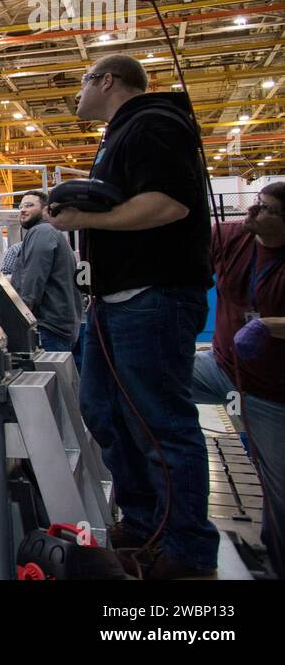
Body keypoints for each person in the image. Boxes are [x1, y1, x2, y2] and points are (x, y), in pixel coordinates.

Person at [47, 54, 218, 579]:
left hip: (153, 297)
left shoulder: (153, 124)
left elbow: (168, 205)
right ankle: (144, 522)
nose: (76, 95)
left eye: (81, 83)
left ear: (106, 80)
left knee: (161, 423)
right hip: (117, 300)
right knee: (105, 412)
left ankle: (188, 550)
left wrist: (83, 218)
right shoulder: (121, 134)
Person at [203, 184, 285, 576]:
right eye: (255, 204)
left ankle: (276, 563)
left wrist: (268, 326)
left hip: (270, 391)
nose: (252, 212)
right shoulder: (235, 237)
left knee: (279, 490)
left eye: (265, 209)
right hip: (219, 365)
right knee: (144, 385)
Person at [13, 190, 82, 355]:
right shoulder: (50, 233)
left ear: (45, 210)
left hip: (48, 328)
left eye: (29, 205)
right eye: (21, 206)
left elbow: (33, 277)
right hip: (59, 327)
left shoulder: (41, 231)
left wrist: (22, 321)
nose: (22, 210)